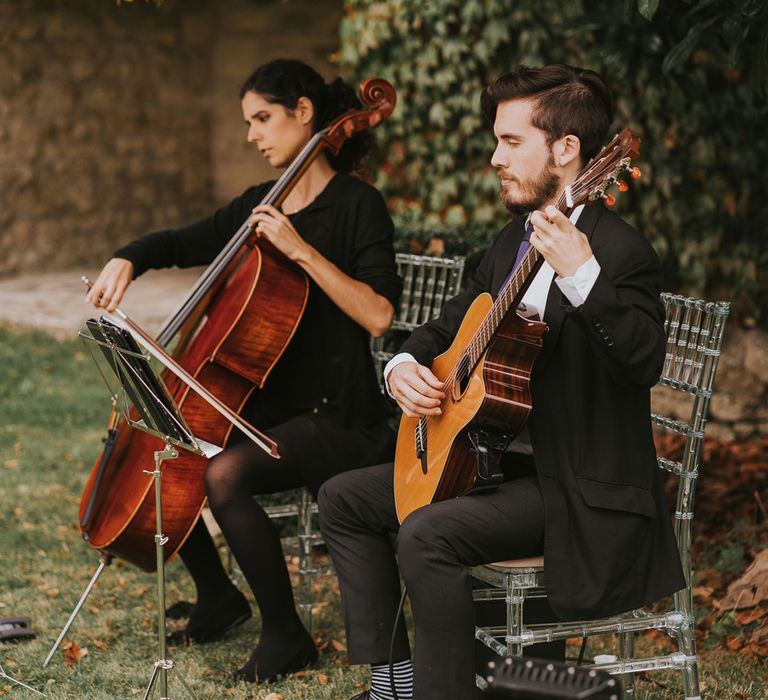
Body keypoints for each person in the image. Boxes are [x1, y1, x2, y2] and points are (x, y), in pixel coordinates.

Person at [318, 64, 686, 700]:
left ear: (567, 151)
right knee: (345, 499)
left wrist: (583, 278)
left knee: (427, 534)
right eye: (498, 141)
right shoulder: (509, 243)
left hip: (573, 485)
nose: (495, 158)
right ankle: (394, 682)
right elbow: (445, 326)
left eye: (511, 142)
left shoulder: (621, 252)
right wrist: (403, 367)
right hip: (494, 464)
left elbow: (643, 360)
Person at [86, 58, 402, 683]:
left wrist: (300, 250)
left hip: (338, 416)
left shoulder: (357, 206)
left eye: (263, 118)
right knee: (166, 448)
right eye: (248, 122)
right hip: (269, 405)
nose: (253, 135)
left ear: (304, 112)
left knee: (225, 475)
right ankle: (219, 596)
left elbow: (379, 315)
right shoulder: (263, 203)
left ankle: (286, 635)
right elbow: (181, 241)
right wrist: (128, 258)